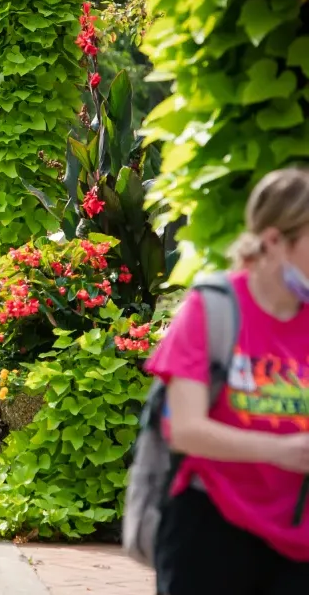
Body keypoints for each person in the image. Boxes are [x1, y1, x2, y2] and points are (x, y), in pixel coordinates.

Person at [146, 168, 309, 595]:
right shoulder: (214, 308)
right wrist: (280, 450)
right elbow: (185, 430)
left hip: (297, 536)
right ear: (275, 241)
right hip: (212, 528)